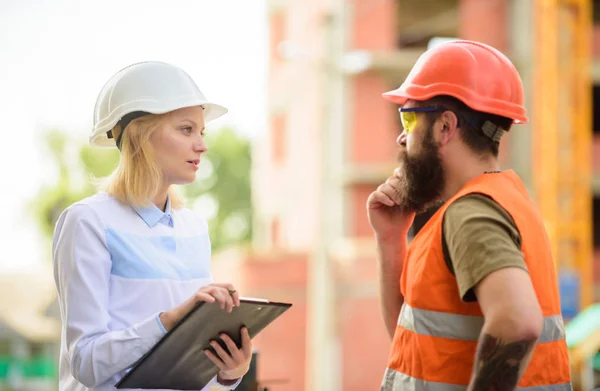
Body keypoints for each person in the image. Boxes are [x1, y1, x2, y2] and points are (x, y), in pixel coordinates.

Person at [367, 40, 571, 390]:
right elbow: (412, 343)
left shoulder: (471, 213)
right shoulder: (496, 200)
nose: (403, 136)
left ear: (445, 127)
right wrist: (390, 240)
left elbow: (518, 321)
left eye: (410, 117)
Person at [52, 61, 252, 391]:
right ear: (141, 135)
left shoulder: (194, 228)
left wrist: (229, 373)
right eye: (186, 129)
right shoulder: (88, 222)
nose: (201, 145)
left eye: (201, 132)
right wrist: (171, 321)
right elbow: (86, 362)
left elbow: (192, 368)